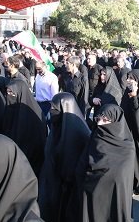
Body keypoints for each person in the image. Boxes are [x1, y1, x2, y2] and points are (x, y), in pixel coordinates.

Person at [39, 92, 90, 222]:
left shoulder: (81, 134)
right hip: (53, 185)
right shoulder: (58, 127)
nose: (51, 111)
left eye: (54, 109)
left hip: (69, 190)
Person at [80, 104, 135, 222]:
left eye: (105, 120)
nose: (100, 124)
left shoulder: (127, 147)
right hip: (92, 197)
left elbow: (122, 177)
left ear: (116, 122)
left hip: (114, 198)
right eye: (98, 119)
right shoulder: (94, 138)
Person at [3, 80, 46, 177]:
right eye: (8, 92)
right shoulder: (9, 110)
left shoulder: (34, 114)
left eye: (12, 93)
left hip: (29, 162)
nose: (9, 95)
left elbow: (39, 141)